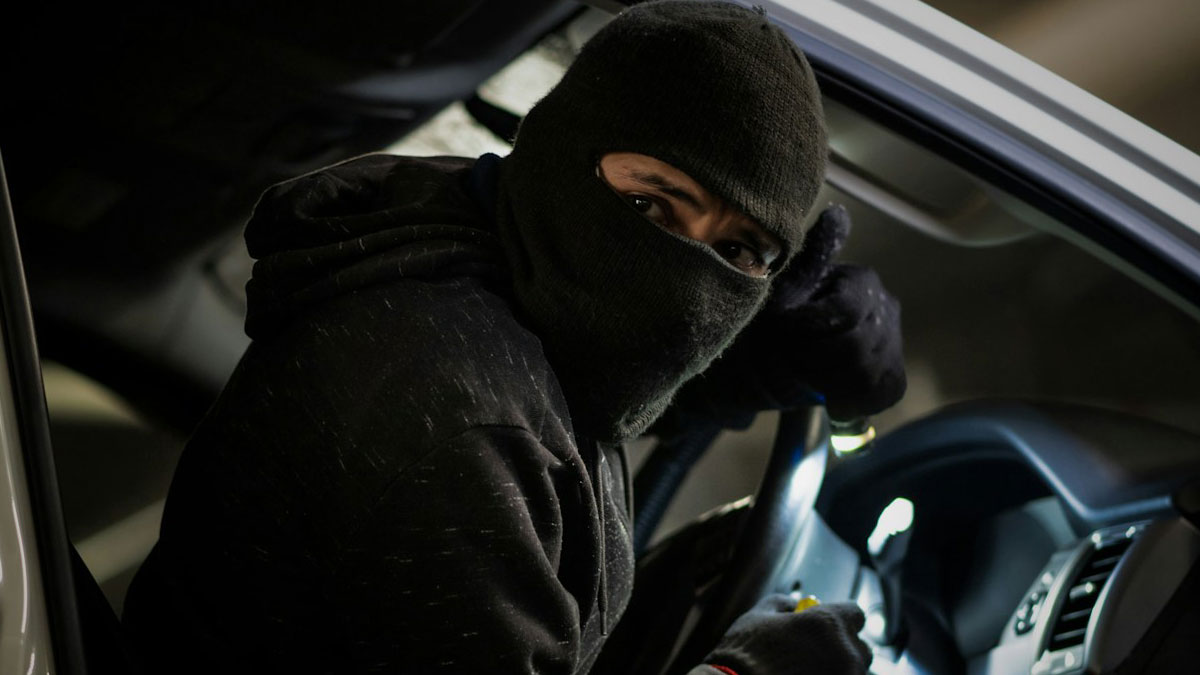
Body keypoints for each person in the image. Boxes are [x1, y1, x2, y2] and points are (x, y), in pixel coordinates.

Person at [121, 1, 905, 673]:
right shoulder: (452, 419)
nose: (686, 286)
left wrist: (736, 377)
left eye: (737, 254)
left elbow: (575, 385)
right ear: (567, 150)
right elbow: (508, 417)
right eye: (652, 208)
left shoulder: (478, 252)